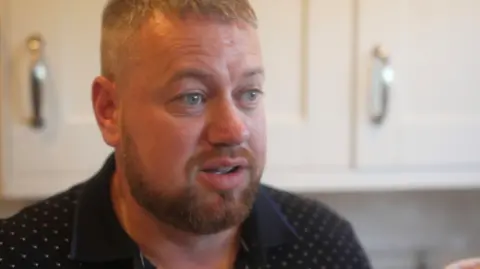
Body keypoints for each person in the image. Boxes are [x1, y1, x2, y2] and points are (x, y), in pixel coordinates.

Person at [0, 0, 373, 268]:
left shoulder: (328, 247)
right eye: (191, 97)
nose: (234, 129)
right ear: (109, 111)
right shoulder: (19, 255)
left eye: (249, 93)